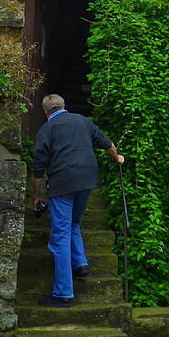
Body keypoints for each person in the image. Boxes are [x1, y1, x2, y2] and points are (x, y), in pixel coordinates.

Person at [31, 93, 124, 307]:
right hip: (87, 180)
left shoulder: (47, 129)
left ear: (46, 112)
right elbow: (108, 143)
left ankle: (63, 293)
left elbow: (38, 166)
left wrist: (36, 196)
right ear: (63, 106)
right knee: (73, 223)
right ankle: (80, 263)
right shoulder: (83, 121)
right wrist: (117, 158)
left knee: (60, 236)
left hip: (63, 183)